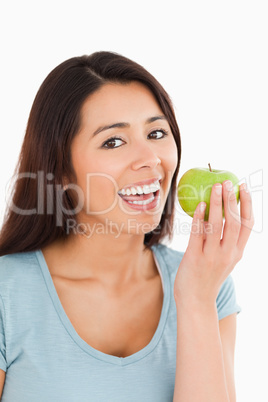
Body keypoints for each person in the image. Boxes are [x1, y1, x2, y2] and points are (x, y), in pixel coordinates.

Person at [0, 51, 254, 401]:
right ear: (60, 173)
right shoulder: (6, 294)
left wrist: (195, 299)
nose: (150, 159)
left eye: (156, 133)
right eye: (113, 141)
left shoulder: (209, 285)